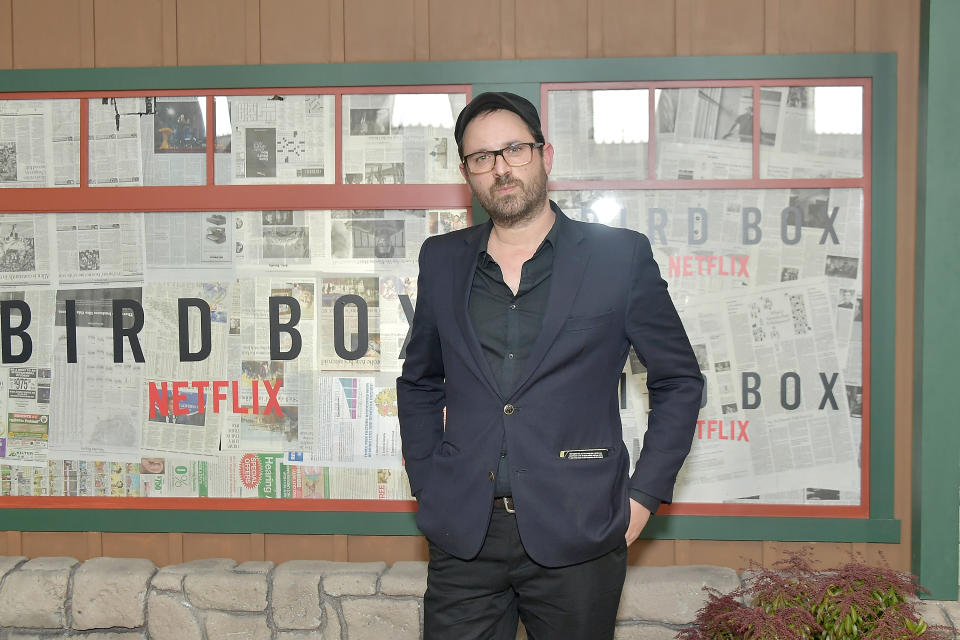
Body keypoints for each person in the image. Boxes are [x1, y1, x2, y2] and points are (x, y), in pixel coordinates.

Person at [396, 92, 703, 640]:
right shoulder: (441, 259)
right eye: (481, 157)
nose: (501, 168)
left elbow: (679, 380)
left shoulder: (618, 257)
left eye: (514, 149)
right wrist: (429, 482)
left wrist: (641, 499)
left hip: (580, 531)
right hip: (464, 534)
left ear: (545, 155)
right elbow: (419, 381)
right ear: (467, 172)